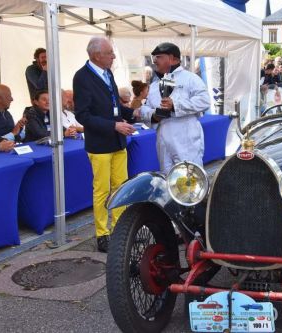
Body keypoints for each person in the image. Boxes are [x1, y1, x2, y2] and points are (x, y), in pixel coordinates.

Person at [73, 36, 136, 253]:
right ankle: (102, 233)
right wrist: (114, 126)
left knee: (122, 187)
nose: (113, 56)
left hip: (118, 142)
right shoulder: (82, 77)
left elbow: (114, 105)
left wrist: (132, 113)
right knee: (102, 189)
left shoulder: (108, 73)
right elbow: (83, 115)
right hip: (100, 143)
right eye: (110, 53)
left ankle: (120, 228)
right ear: (96, 55)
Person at [141, 42, 210, 173]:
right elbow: (145, 107)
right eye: (154, 58)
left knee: (189, 179)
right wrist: (153, 115)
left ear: (172, 58)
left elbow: (204, 100)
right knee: (168, 181)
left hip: (185, 138)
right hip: (163, 139)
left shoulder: (190, 78)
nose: (155, 61)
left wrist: (176, 106)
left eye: (159, 57)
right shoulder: (155, 85)